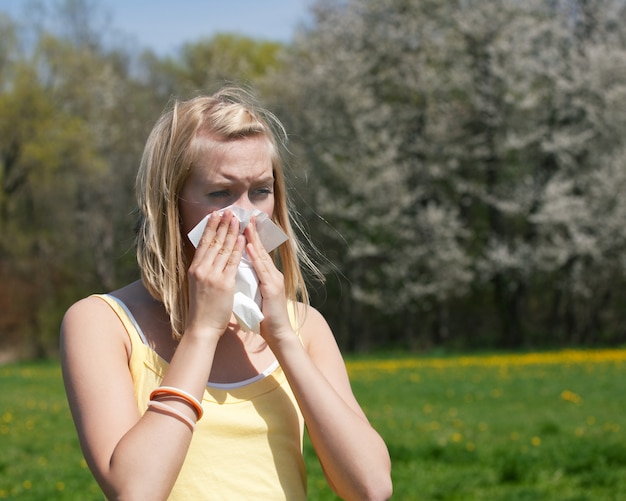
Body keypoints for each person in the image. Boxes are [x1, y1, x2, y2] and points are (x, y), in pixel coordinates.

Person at [60, 86, 392, 500]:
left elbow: (372, 487)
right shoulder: (102, 323)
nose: (246, 215)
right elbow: (135, 491)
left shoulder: (304, 326)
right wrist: (201, 332)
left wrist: (284, 339)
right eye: (221, 193)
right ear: (170, 203)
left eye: (260, 192)